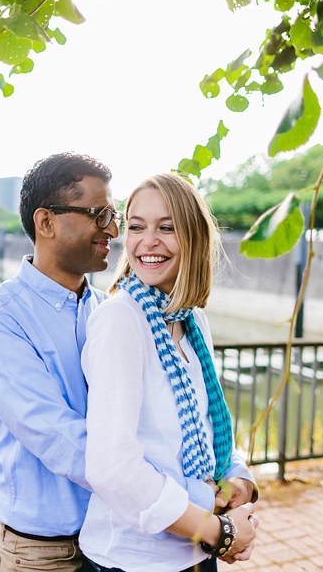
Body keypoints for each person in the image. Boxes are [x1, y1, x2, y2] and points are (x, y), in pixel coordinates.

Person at [80, 173, 259, 572]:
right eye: (136, 226)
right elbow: (112, 466)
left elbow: (207, 423)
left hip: (193, 553)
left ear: (195, 237)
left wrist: (237, 482)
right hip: (135, 559)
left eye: (166, 227)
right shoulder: (121, 320)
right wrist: (218, 532)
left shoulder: (192, 320)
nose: (147, 241)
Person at [0, 153, 120, 571]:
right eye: (99, 214)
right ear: (46, 222)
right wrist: (166, 494)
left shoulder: (108, 312)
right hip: (45, 553)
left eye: (114, 214)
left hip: (117, 535)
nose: (114, 229)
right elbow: (57, 437)